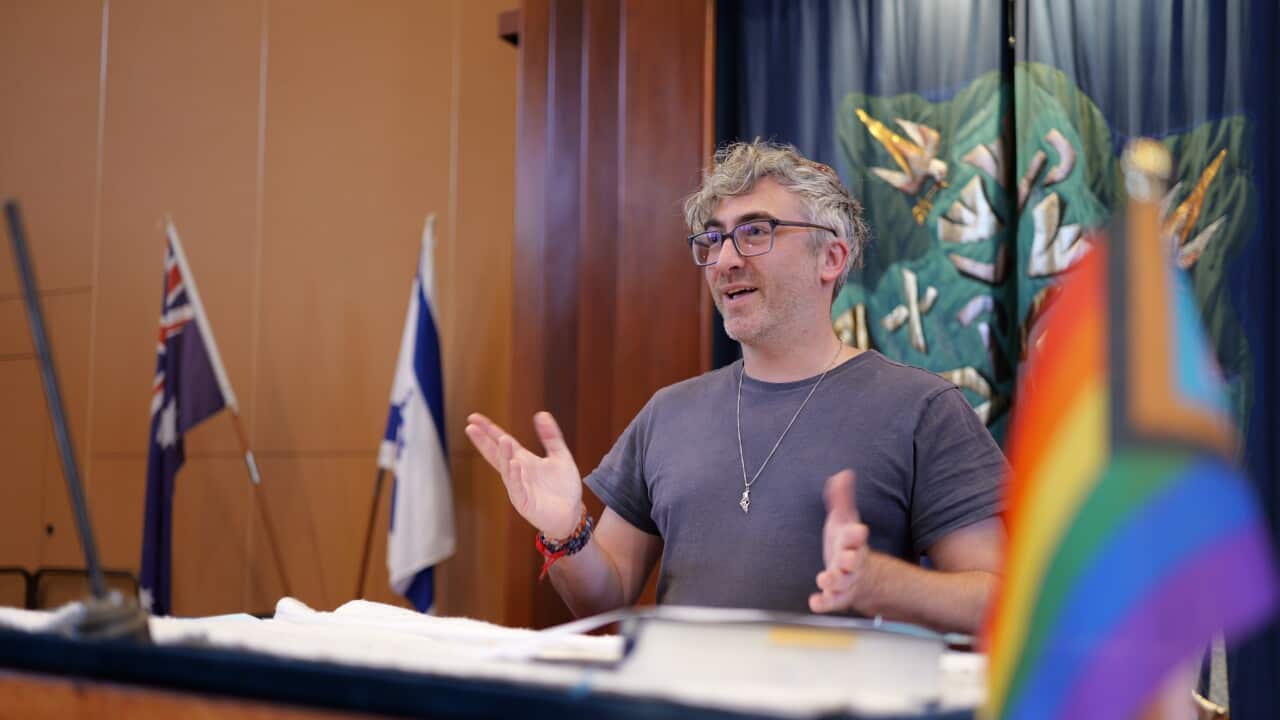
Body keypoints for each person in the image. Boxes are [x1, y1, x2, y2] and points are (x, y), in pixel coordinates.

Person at [465, 140, 1006, 634]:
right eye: (714, 239)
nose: (725, 260)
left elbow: (1006, 603)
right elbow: (601, 599)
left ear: (831, 257)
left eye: (755, 231)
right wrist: (566, 530)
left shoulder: (923, 409)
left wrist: (883, 582)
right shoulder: (668, 413)